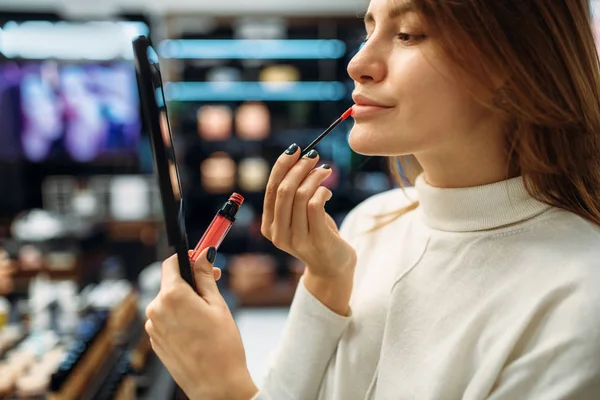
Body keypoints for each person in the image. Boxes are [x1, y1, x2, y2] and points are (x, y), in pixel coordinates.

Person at [144, 0, 600, 398]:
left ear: (517, 62)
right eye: (368, 30)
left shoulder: (578, 304)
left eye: (407, 34)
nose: (358, 62)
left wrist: (220, 389)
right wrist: (326, 279)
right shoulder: (368, 225)